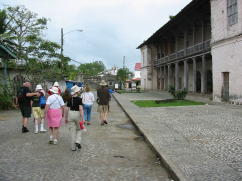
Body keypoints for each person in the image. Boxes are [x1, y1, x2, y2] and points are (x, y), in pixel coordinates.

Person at [65, 85, 85, 151]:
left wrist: (66, 118)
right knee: (79, 129)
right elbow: (81, 109)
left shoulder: (69, 99)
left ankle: (73, 147)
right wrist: (83, 118)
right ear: (77, 92)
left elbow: (67, 109)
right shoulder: (79, 99)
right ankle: (77, 141)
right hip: (77, 114)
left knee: (72, 131)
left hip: (70, 114)